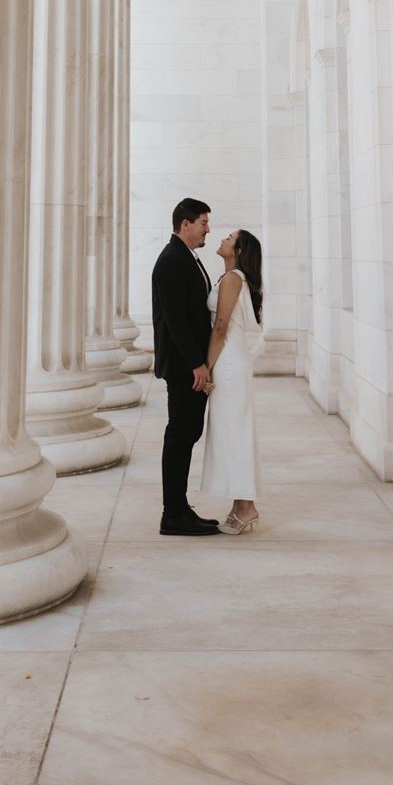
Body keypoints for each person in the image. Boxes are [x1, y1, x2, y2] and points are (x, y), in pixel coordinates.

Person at [151, 197, 222, 536]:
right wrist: (197, 364)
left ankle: (179, 507)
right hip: (183, 368)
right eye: (204, 222)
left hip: (189, 365)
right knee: (180, 435)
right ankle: (173, 513)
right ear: (186, 224)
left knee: (186, 433)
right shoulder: (171, 261)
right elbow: (176, 322)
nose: (208, 228)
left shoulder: (185, 258)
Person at [200, 230, 265, 532]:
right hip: (231, 360)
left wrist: (207, 367)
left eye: (228, 238)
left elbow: (220, 328)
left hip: (228, 362)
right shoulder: (230, 277)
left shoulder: (232, 279)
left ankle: (247, 506)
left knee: (234, 434)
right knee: (231, 433)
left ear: (238, 249)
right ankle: (241, 504)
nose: (222, 239)